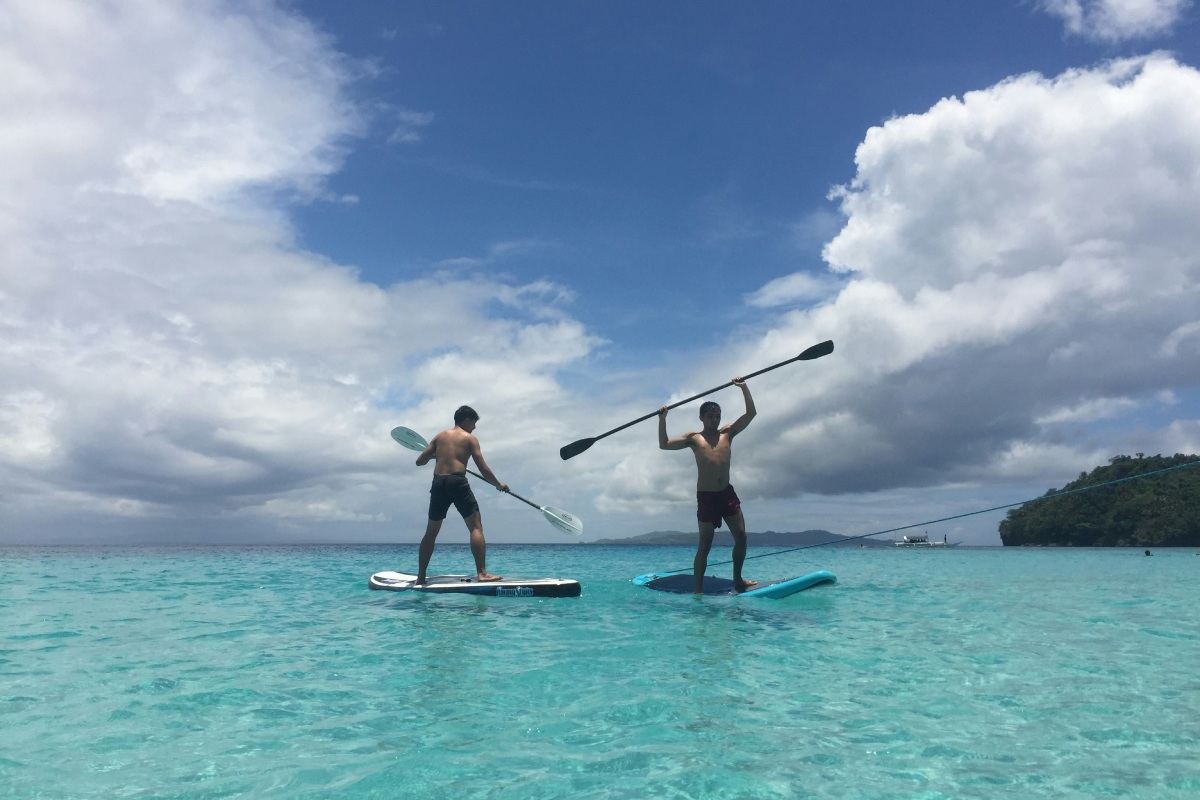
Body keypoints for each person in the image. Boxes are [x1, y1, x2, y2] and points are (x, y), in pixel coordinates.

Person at [658, 378, 758, 594]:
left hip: (727, 494)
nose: (715, 419)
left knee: (741, 537)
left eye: (717, 416)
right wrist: (663, 419)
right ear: (702, 418)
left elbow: (751, 414)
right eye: (710, 416)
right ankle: (697, 591)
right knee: (705, 545)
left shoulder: (728, 433)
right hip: (707, 497)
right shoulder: (694, 439)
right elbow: (664, 445)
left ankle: (737, 579)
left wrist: (744, 389)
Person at [414, 405, 509, 584]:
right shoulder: (469, 439)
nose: (474, 427)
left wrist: (436, 456)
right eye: (474, 423)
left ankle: (420, 577)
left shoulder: (440, 436)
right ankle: (482, 573)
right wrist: (498, 484)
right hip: (457, 482)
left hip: (438, 482)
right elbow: (483, 468)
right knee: (475, 527)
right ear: (466, 420)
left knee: (431, 531)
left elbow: (420, 461)